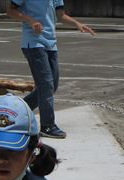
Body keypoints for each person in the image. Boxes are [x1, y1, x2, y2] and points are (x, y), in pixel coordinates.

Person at [7, 0, 94, 139]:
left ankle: (16, 111)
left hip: (51, 43)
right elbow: (11, 11)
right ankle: (47, 126)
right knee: (46, 85)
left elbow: (61, 15)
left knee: (51, 86)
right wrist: (29, 20)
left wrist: (77, 24)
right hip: (33, 43)